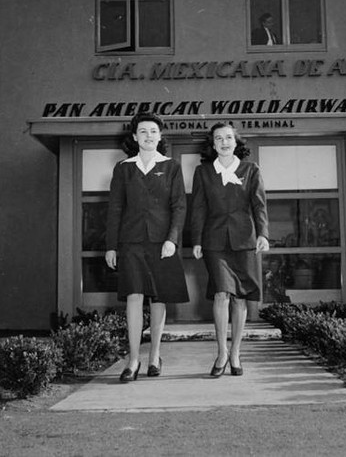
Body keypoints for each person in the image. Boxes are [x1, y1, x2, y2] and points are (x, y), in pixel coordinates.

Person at [105, 113, 189, 382]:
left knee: (158, 298)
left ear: (160, 136)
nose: (148, 136)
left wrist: (171, 239)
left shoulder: (172, 167)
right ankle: (132, 361)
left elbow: (179, 206)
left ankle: (154, 355)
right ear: (134, 137)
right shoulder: (123, 168)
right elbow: (115, 209)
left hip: (162, 243)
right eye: (143, 131)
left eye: (153, 131)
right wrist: (111, 246)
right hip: (130, 243)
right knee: (133, 296)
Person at [191, 123, 270, 377]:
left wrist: (263, 234)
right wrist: (196, 240)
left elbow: (259, 205)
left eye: (228, 137)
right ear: (213, 145)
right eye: (218, 138)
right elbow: (198, 208)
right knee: (221, 293)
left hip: (244, 240)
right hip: (214, 242)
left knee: (240, 297)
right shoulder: (203, 172)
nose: (224, 142)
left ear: (236, 142)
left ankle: (235, 352)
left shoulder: (251, 169)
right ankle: (221, 352)